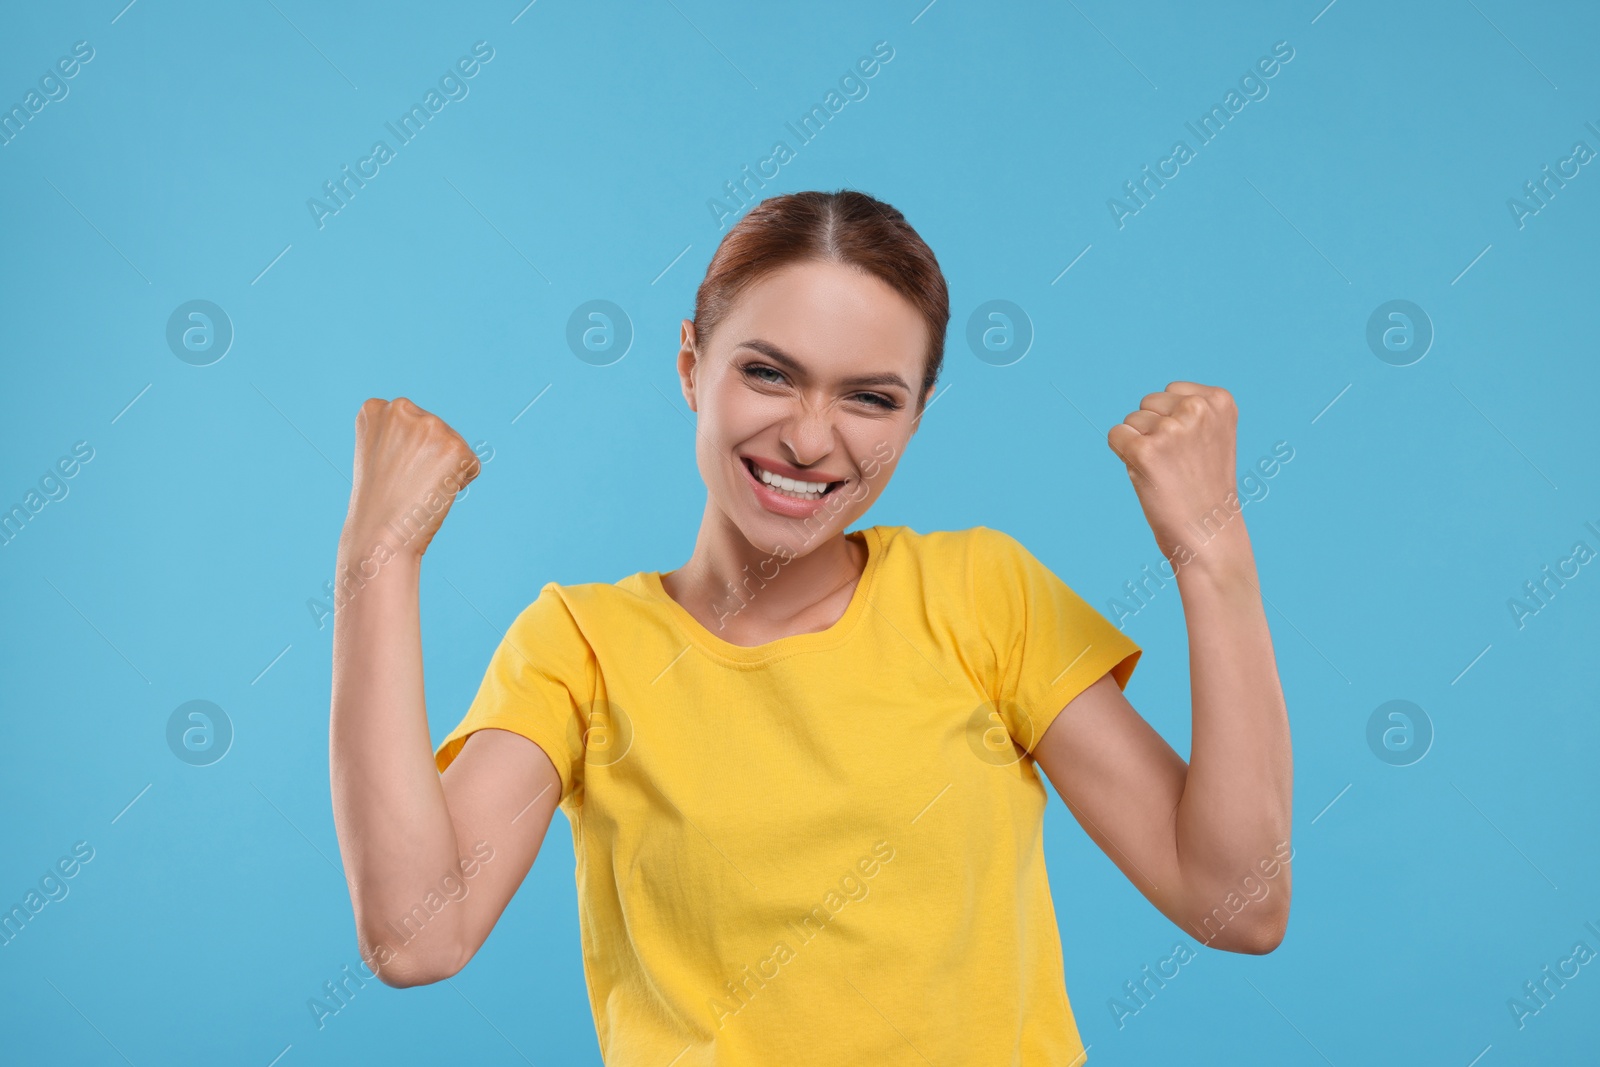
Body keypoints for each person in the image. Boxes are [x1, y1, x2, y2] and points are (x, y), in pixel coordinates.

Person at [328, 189, 1292, 1065]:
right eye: (769, 373)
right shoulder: (582, 644)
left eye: (871, 396)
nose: (809, 438)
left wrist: (1215, 555)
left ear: (913, 419)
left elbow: (1238, 904)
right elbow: (419, 936)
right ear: (690, 367)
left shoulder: (983, 594)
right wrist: (377, 559)